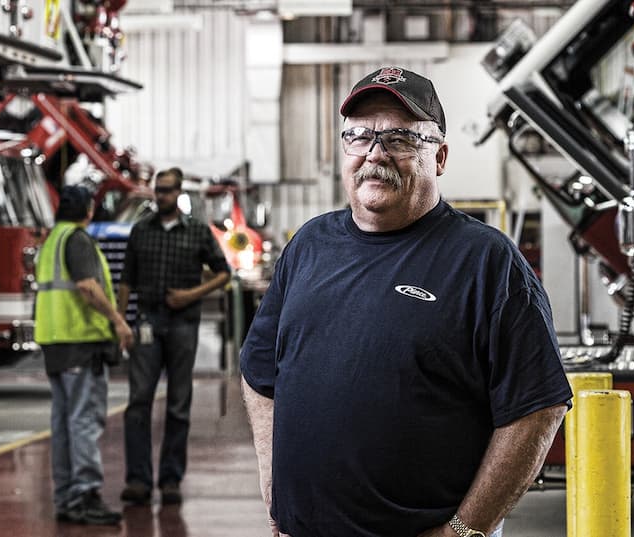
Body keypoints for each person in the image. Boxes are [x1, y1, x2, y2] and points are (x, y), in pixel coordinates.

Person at [240, 66, 573, 537]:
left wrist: (464, 530)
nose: (375, 154)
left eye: (399, 139)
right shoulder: (309, 246)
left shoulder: (486, 262)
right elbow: (259, 374)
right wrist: (275, 483)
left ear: (438, 156)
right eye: (359, 136)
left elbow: (538, 407)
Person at [118, 167, 231, 505]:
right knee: (138, 402)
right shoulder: (141, 231)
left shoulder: (197, 232)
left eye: (166, 190)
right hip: (148, 323)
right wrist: (123, 322)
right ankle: (138, 480)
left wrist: (190, 295)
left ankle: (170, 481)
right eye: (157, 190)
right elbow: (126, 279)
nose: (160, 196)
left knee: (179, 405)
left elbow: (223, 273)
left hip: (183, 324)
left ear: (177, 192)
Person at [34, 184, 134, 525]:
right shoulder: (77, 240)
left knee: (63, 422)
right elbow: (88, 287)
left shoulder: (52, 240)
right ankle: (86, 494)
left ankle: (66, 497)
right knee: (84, 421)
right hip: (80, 341)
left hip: (55, 341)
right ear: (88, 211)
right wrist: (118, 321)